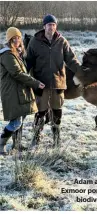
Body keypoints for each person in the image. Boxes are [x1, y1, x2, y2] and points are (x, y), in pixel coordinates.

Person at [26, 14, 82, 146]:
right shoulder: (35, 42)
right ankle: (36, 137)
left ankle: (56, 140)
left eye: (53, 25)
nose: (51, 27)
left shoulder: (62, 41)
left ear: (56, 26)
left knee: (57, 111)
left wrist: (81, 72)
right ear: (44, 26)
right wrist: (22, 77)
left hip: (58, 84)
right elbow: (28, 62)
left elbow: (71, 60)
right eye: (49, 25)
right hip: (41, 84)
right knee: (40, 112)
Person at [0, 27, 45, 155]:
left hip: (18, 91)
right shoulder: (7, 55)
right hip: (12, 92)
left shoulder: (15, 54)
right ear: (9, 40)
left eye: (18, 38)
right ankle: (1, 144)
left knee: (18, 120)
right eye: (13, 39)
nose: (17, 40)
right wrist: (35, 83)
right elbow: (17, 73)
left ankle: (15, 145)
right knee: (16, 122)